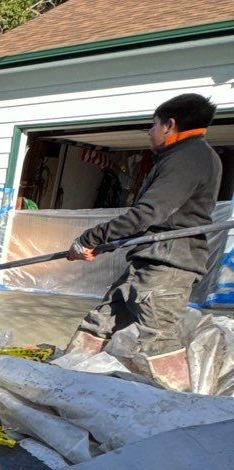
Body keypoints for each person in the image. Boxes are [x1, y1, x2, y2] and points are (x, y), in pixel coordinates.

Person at [66, 92, 221, 389]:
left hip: (168, 264)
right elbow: (158, 221)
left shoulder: (189, 158)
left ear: (169, 125)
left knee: (159, 337)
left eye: (152, 125)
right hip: (151, 258)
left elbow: (148, 214)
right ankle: (64, 379)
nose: (150, 132)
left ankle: (177, 406)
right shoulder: (186, 156)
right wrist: (101, 244)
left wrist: (89, 237)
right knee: (100, 320)